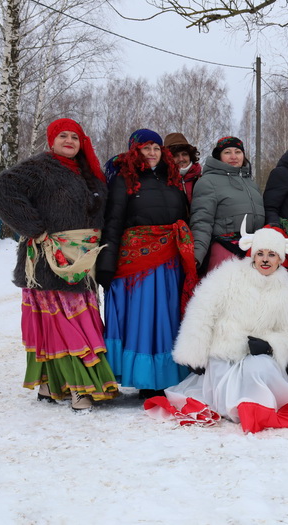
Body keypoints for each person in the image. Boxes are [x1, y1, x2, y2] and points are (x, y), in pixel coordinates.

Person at [0, 118, 118, 412]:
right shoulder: (40, 167)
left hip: (83, 260)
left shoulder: (90, 174)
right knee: (64, 324)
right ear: (52, 140)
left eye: (75, 136)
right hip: (50, 260)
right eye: (63, 135)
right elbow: (2, 189)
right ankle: (77, 388)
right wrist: (34, 228)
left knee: (80, 321)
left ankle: (52, 384)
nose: (69, 140)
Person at [146, 221, 288, 433]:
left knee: (259, 368)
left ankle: (254, 408)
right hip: (224, 351)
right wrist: (193, 353)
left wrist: (270, 346)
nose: (264, 259)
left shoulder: (286, 289)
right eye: (260, 253)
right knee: (228, 378)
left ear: (280, 258)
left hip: (258, 357)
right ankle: (240, 406)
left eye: (271, 254)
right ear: (252, 254)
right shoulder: (229, 274)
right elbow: (202, 311)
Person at [96, 128, 197, 399]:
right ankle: (145, 380)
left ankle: (169, 376)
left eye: (156, 147)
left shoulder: (171, 179)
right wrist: (106, 262)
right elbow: (114, 221)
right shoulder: (123, 180)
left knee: (167, 319)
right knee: (144, 320)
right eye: (145, 147)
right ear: (134, 151)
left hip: (169, 261)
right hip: (137, 263)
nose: (152, 153)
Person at [190, 136, 265, 273]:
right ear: (219, 156)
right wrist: (196, 255)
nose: (233, 156)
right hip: (225, 250)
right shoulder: (208, 181)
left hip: (252, 251)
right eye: (227, 152)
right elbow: (202, 221)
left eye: (238, 152)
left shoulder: (251, 183)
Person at [163, 132, 202, 202]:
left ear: (190, 156)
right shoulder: (162, 182)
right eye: (175, 155)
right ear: (167, 159)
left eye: (184, 154)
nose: (181, 159)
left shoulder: (202, 180)